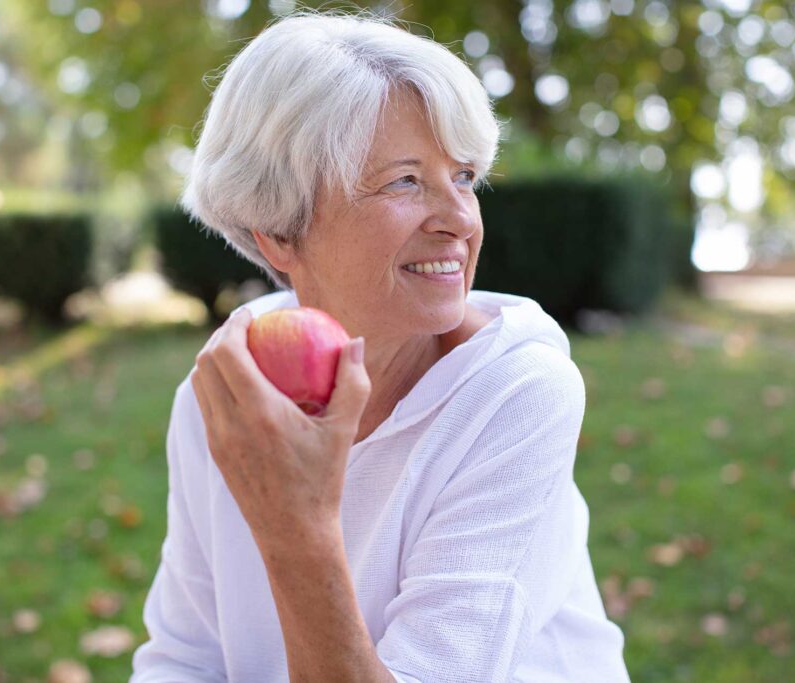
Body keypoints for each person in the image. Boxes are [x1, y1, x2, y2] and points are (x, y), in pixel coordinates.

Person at [130, 10, 632, 683]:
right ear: (278, 227)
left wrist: (296, 528)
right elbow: (185, 657)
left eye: (463, 176)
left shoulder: (517, 389)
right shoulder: (227, 389)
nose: (461, 220)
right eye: (404, 180)